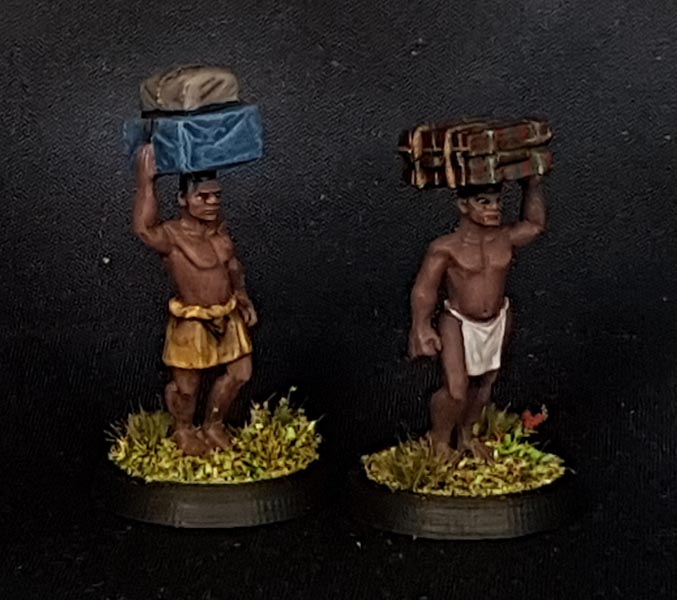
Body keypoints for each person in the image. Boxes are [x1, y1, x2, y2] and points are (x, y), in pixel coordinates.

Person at [408, 175, 547, 459]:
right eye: (483, 202)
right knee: (456, 389)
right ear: (463, 205)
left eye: (497, 201)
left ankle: (467, 435)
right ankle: (440, 439)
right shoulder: (446, 248)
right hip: (458, 321)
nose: (494, 208)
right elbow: (425, 289)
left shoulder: (505, 238)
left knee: (484, 385)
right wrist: (421, 326)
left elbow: (535, 225)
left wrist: (532, 185)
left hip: (497, 320)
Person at [133, 144, 257, 456]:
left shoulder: (219, 233)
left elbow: (233, 265)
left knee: (241, 374)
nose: (212, 202)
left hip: (227, 315)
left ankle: (213, 425)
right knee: (187, 388)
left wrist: (241, 293)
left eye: (216, 196)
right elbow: (144, 230)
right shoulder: (173, 236)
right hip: (192, 320)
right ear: (183, 199)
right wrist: (147, 182)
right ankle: (184, 429)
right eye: (203, 197)